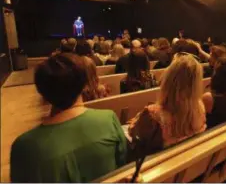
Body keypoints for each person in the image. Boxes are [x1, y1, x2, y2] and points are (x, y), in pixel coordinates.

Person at [10, 53, 127, 182]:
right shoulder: (108, 119)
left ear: (41, 92)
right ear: (84, 85)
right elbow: (122, 166)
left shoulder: (23, 147)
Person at [127, 53, 206, 154]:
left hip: (157, 166)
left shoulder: (154, 115)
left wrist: (136, 121)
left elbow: (133, 132)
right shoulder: (200, 107)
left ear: (168, 80)